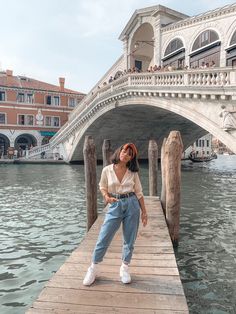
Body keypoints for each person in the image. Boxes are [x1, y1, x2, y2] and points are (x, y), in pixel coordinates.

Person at [83, 143, 148, 286]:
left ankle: (124, 267)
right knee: (103, 237)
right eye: (124, 151)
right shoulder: (107, 170)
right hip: (114, 204)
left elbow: (139, 192)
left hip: (132, 204)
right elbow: (102, 186)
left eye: (129, 154)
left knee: (129, 239)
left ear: (131, 158)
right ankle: (93, 268)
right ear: (120, 151)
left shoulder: (133, 173)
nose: (125, 154)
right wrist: (106, 197)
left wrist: (144, 211)